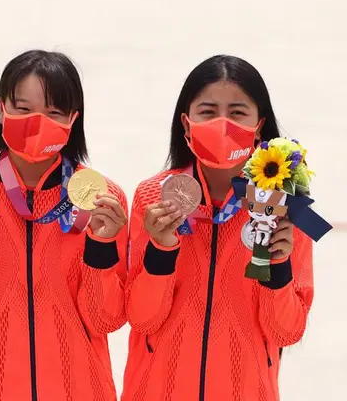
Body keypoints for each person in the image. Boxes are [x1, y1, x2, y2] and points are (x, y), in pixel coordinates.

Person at [0, 50, 129, 401]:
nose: (37, 121)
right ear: (1, 108)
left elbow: (105, 320)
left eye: (53, 112)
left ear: (73, 120)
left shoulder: (101, 198)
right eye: (23, 108)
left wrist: (100, 245)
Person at [121, 55, 314, 401]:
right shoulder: (153, 196)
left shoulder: (284, 204)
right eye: (208, 112)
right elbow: (142, 319)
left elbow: (286, 331)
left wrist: (278, 267)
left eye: (238, 112)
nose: (223, 124)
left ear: (259, 124)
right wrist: (161, 253)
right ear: (186, 121)